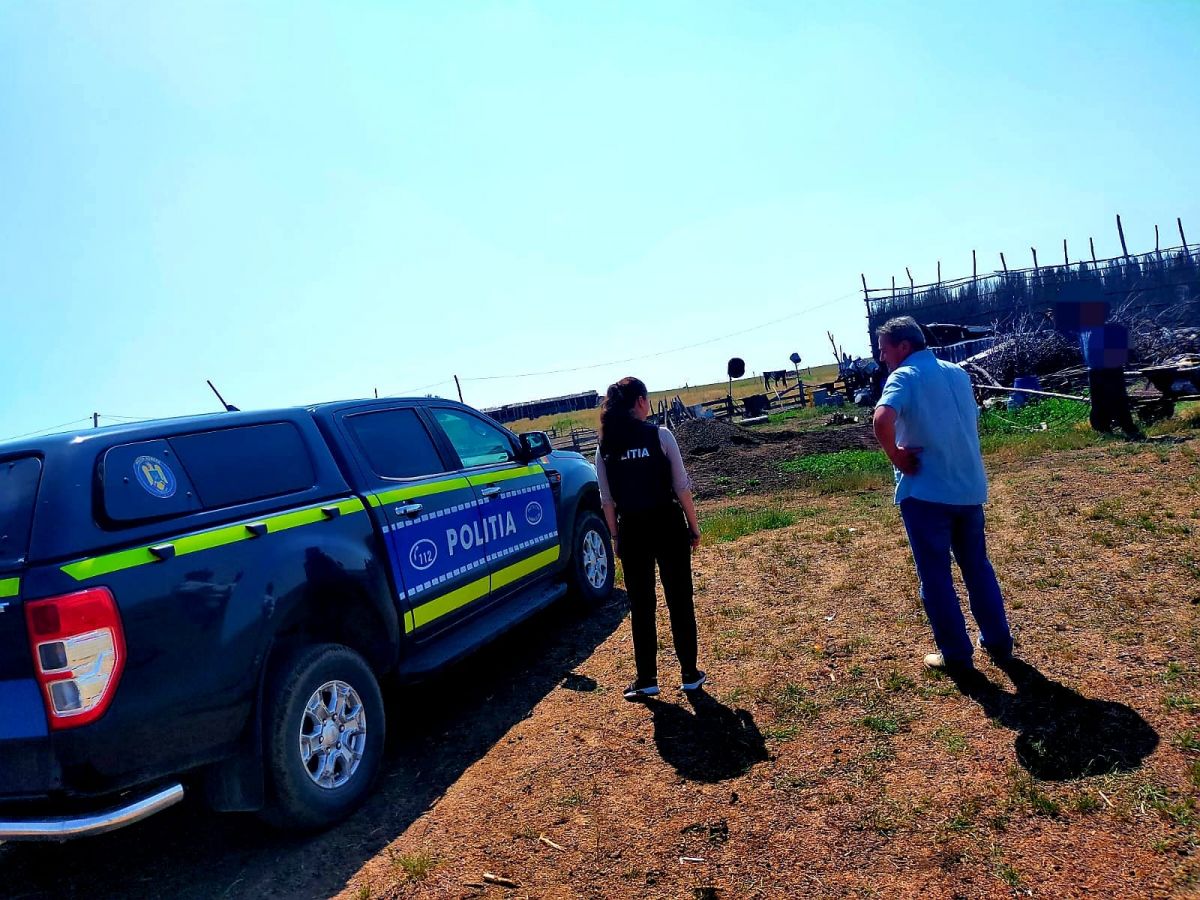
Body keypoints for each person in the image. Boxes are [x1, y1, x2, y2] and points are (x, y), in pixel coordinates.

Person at [871, 317, 1014, 671]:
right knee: (977, 568)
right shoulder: (957, 373)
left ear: (904, 347)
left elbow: (881, 419)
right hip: (968, 487)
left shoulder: (904, 376)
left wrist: (897, 457)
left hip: (927, 492)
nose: (882, 357)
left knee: (935, 577)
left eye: (884, 350)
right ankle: (998, 641)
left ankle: (955, 654)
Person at [595, 377, 705, 701]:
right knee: (679, 599)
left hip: (632, 529)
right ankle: (689, 673)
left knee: (641, 605)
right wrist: (693, 527)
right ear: (641, 401)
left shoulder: (605, 447)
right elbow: (682, 486)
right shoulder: (661, 435)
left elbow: (606, 500)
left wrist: (616, 537)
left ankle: (646, 678)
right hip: (667, 524)